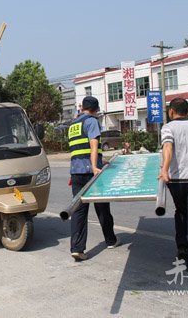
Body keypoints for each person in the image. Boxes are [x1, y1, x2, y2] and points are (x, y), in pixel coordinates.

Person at [158, 98, 188, 272]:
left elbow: (168, 148)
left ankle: (182, 249)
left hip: (177, 181)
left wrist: (164, 169)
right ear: (187, 111)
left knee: (181, 213)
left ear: (172, 111)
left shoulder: (168, 128)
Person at [68, 96, 119, 261]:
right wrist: (95, 166)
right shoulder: (91, 121)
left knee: (79, 211)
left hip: (76, 172)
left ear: (82, 107)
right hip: (91, 173)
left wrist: (101, 160)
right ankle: (110, 240)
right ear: (96, 109)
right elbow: (93, 146)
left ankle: (77, 248)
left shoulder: (73, 125)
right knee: (102, 207)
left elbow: (80, 150)